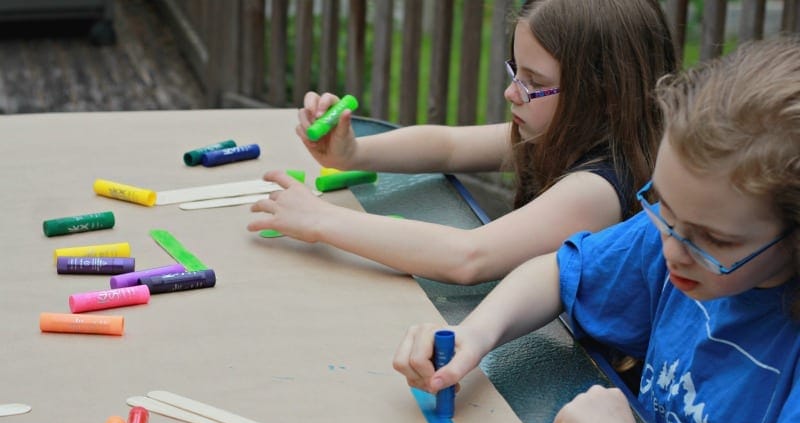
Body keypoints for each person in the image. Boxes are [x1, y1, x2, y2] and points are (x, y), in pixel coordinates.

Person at [393, 37, 800, 423]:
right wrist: (475, 335)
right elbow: (558, 273)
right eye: (663, 207)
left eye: (713, 241)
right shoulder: (678, 236)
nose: (672, 249)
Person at [247, 0, 676, 285]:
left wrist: (321, 220)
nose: (512, 93)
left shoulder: (597, 188)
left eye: (534, 83)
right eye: (516, 74)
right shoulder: (564, 134)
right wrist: (353, 152)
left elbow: (468, 257)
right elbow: (448, 146)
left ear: (603, 94)